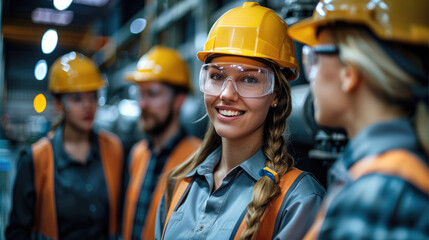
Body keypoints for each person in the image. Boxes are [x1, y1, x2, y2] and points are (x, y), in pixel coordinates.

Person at [155, 2, 325, 240]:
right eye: (216, 76)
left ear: (276, 94)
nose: (226, 94)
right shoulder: (177, 183)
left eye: (249, 80)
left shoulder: (298, 201)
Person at [288, 0, 429, 239]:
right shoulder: (380, 176)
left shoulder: (377, 194)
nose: (310, 77)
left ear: (349, 72)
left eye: (313, 58)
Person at [6, 51, 124, 239]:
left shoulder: (113, 149)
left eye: (92, 97)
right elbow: (18, 230)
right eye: (77, 98)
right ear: (59, 105)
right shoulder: (35, 159)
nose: (87, 106)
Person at [122, 46, 201, 240]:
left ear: (178, 101)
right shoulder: (138, 153)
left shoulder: (199, 158)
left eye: (153, 94)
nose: (142, 104)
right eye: (141, 94)